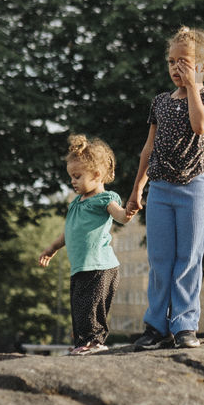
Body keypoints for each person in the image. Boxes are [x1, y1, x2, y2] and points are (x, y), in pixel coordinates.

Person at [126, 26, 204, 350]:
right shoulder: (160, 103)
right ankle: (156, 327)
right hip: (161, 190)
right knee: (160, 260)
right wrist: (137, 188)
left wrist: (194, 87)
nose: (175, 68)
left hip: (194, 188)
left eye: (184, 62)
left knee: (188, 258)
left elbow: (200, 125)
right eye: (171, 62)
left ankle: (184, 325)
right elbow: (148, 149)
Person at [38, 134, 133, 355]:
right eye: (71, 176)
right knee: (79, 307)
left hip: (100, 266)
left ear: (97, 175)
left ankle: (94, 343)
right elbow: (69, 232)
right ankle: (83, 343)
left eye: (78, 176)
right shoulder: (75, 203)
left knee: (91, 307)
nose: (73, 181)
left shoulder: (104, 198)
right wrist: (51, 249)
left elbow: (119, 215)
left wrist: (127, 214)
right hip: (82, 266)